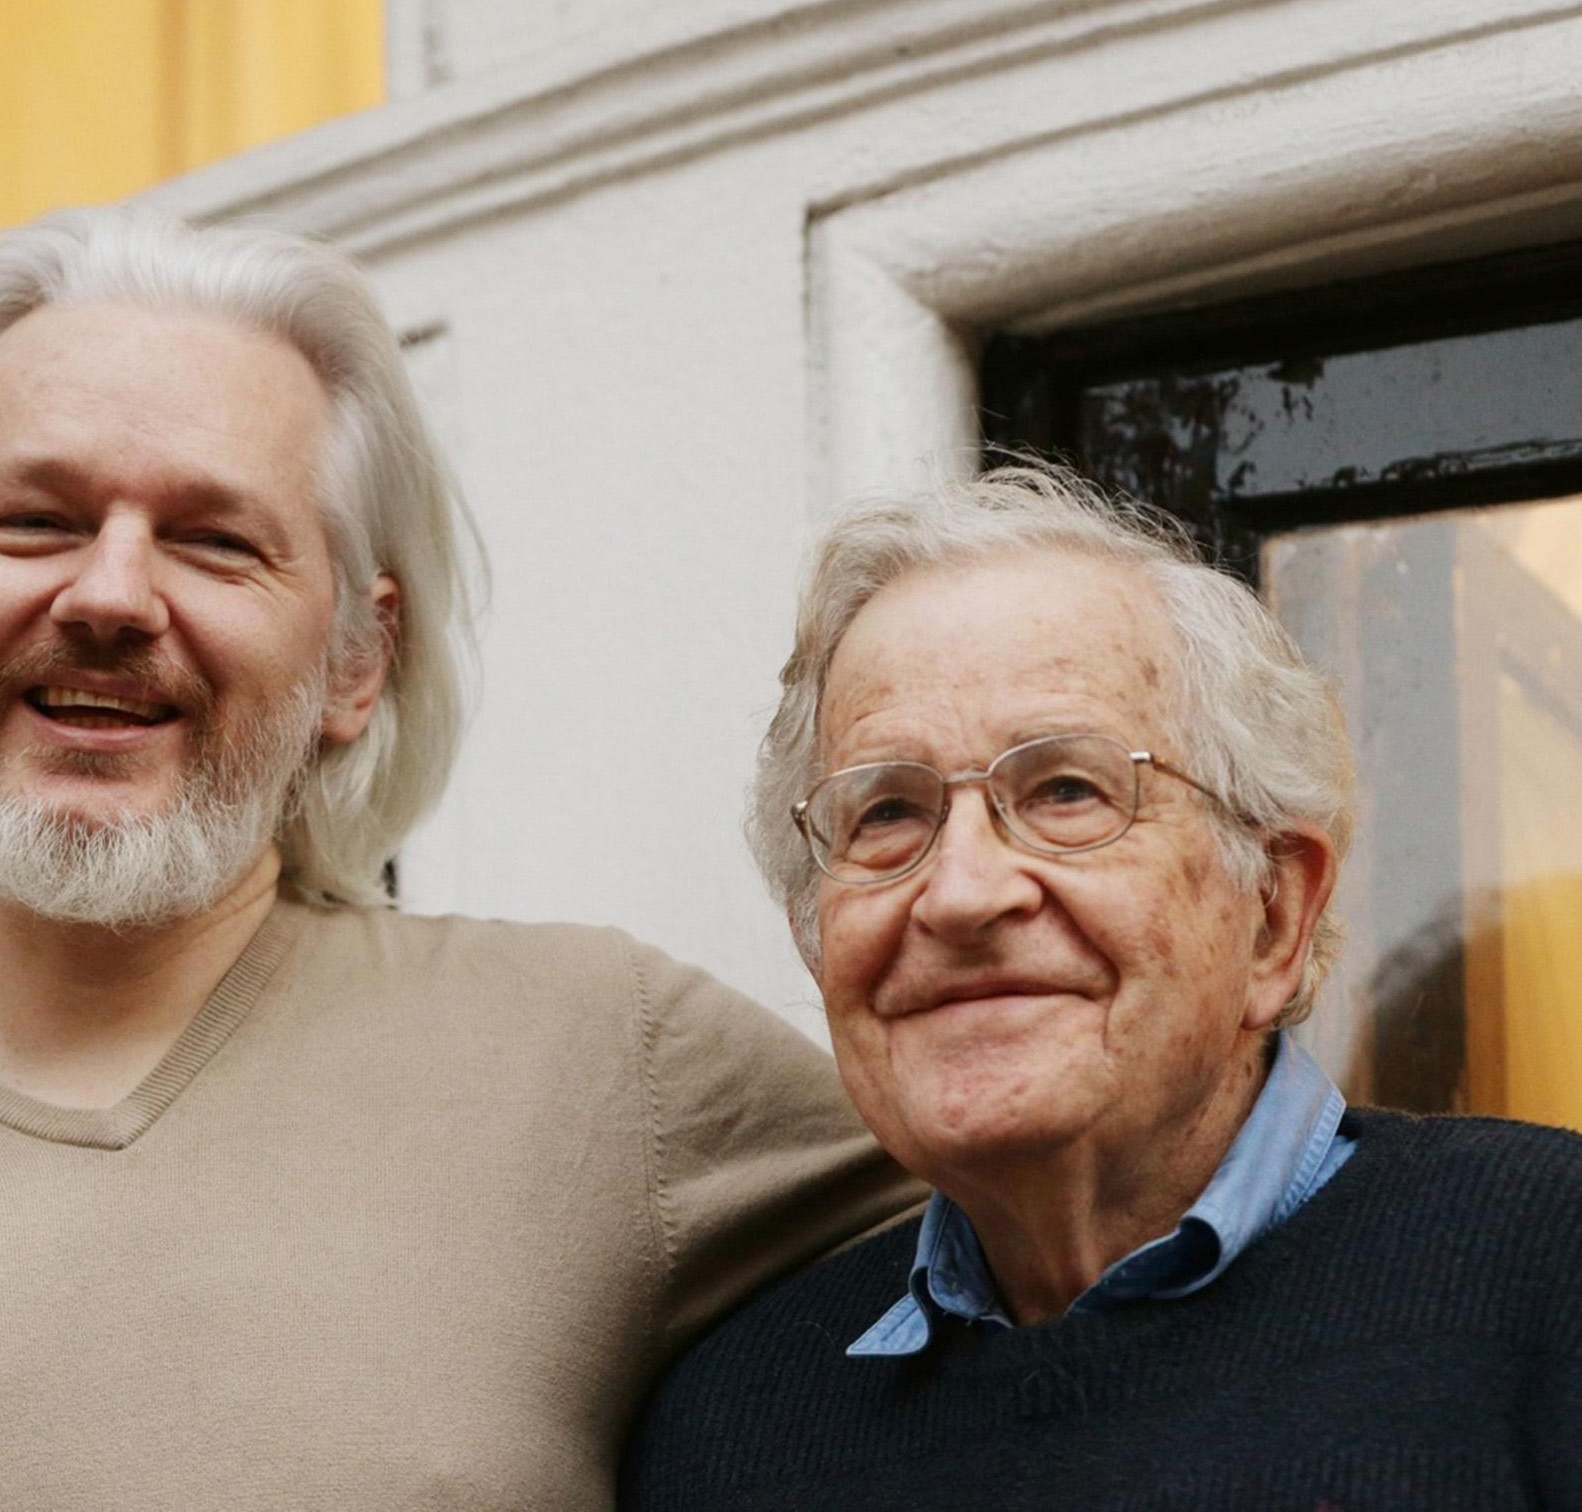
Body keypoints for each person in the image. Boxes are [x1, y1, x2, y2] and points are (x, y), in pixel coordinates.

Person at [0, 208, 918, 1511]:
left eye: (213, 541)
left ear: (356, 662)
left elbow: (1079, 1249)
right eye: (35, 520)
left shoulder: (605, 1063)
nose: (112, 597)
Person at [623, 464, 1582, 1510]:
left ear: (1271, 914)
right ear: (817, 941)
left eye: (1066, 791)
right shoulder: (726, 1434)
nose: (959, 893)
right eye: (886, 814)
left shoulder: (1547, 1275)